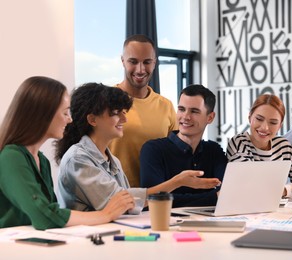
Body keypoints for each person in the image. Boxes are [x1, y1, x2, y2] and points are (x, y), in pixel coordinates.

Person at [56, 83, 219, 212]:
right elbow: (121, 202)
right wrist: (176, 182)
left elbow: (132, 206)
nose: (124, 119)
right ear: (92, 119)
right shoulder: (78, 159)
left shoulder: (113, 161)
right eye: (115, 113)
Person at [0, 76, 134, 230]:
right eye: (65, 113)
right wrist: (106, 214)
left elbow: (53, 213)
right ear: (43, 114)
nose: (70, 120)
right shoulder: (11, 157)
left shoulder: (42, 161)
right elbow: (44, 216)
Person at [140, 84, 227, 208]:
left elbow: (226, 194)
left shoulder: (214, 151)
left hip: (208, 223)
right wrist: (213, 197)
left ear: (210, 117)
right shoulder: (153, 150)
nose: (185, 117)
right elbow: (153, 200)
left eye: (194, 111)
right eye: (181, 109)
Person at [109, 34, 177, 187]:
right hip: (113, 198)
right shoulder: (104, 101)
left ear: (155, 63)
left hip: (156, 199)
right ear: (122, 61)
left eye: (147, 62)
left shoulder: (166, 106)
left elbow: (175, 157)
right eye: (133, 62)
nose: (140, 70)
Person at [226, 94, 292, 198]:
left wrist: (285, 190)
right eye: (259, 119)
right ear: (250, 118)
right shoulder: (239, 142)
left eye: (273, 122)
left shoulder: (284, 147)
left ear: (279, 126)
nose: (265, 127)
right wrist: (275, 189)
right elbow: (251, 185)